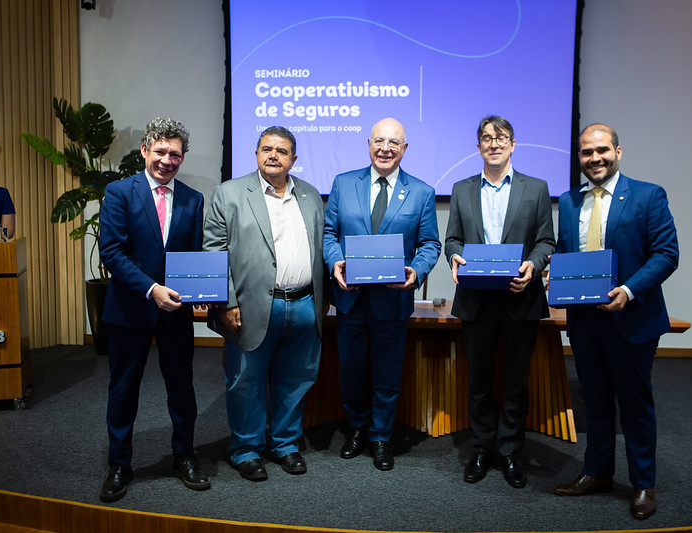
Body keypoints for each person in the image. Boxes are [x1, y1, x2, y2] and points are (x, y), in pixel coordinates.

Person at [551, 123, 679, 520]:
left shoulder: (647, 195)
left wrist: (628, 290)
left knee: (635, 405)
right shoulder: (570, 201)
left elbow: (666, 254)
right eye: (587, 152)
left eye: (602, 150)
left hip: (633, 319)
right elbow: (565, 251)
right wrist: (551, 274)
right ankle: (597, 473)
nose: (595, 158)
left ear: (618, 152)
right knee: (596, 402)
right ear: (580, 158)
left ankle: (643, 483)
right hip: (586, 322)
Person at [203, 126, 327, 481]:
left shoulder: (310, 194)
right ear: (256, 153)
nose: (273, 155)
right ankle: (246, 449)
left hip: (304, 304)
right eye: (267, 149)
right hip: (250, 307)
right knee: (246, 381)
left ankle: (285, 444)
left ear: (294, 159)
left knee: (296, 379)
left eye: (282, 151)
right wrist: (224, 302)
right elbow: (213, 249)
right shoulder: (229, 193)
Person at [98, 117, 209, 502]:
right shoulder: (119, 192)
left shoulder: (194, 200)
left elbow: (194, 257)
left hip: (176, 313)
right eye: (160, 151)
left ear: (183, 158)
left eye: (174, 154)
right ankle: (119, 464)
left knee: (182, 388)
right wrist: (151, 289)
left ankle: (184, 456)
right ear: (145, 150)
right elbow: (112, 252)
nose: (167, 159)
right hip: (131, 310)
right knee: (123, 389)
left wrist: (201, 291)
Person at [323, 117, 441, 471]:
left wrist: (416, 271)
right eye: (379, 141)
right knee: (351, 369)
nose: (385, 148)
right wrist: (336, 262)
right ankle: (356, 428)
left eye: (393, 142)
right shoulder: (344, 184)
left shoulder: (421, 192)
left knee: (388, 373)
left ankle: (380, 436)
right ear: (369, 144)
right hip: (351, 299)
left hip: (392, 300)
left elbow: (430, 244)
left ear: (405, 148)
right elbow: (329, 233)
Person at [443, 116, 555, 488]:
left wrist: (533, 266)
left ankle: (509, 451)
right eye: (486, 138)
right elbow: (453, 240)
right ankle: (480, 448)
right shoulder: (461, 189)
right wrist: (455, 256)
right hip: (476, 299)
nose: (494, 143)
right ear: (478, 147)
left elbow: (546, 242)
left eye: (501, 137)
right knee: (478, 380)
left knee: (515, 382)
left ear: (512, 143)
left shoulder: (536, 188)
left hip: (518, 296)